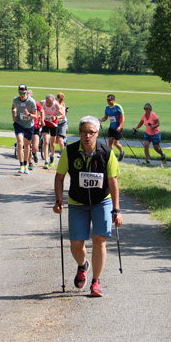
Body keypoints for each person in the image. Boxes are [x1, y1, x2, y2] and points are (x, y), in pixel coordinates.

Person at [53, 116, 122, 298]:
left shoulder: (106, 152)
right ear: (80, 133)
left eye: (91, 132)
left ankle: (96, 282)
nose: (87, 136)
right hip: (77, 202)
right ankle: (83, 266)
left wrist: (116, 209)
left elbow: (112, 181)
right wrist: (58, 200)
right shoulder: (70, 151)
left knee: (100, 240)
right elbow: (59, 176)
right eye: (84, 132)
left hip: (102, 202)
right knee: (76, 243)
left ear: (97, 133)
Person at [12, 84, 38, 174]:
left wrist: (28, 114)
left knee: (27, 146)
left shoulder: (31, 102)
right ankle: (21, 165)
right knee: (20, 143)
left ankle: (26, 165)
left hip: (29, 126)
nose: (21, 95)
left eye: (23, 92)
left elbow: (36, 116)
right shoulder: (16, 100)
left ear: (26, 92)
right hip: (19, 124)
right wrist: (13, 115)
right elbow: (13, 108)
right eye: (20, 92)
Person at [100, 94, 125, 162]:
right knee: (110, 143)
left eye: (109, 100)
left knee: (116, 143)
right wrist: (101, 120)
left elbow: (123, 117)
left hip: (118, 127)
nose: (108, 101)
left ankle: (122, 152)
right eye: (107, 100)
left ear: (113, 100)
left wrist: (120, 126)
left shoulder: (118, 107)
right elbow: (105, 117)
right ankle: (112, 157)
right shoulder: (107, 108)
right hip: (111, 127)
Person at [42, 94, 64, 169]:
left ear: (53, 101)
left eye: (50, 103)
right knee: (46, 141)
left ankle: (52, 156)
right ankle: (46, 161)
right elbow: (37, 110)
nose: (48, 104)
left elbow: (63, 115)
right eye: (47, 102)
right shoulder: (42, 103)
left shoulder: (56, 105)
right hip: (45, 123)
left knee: (52, 143)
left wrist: (56, 117)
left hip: (53, 124)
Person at [27, 89, 42, 171]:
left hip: (35, 127)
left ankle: (35, 153)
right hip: (26, 127)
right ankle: (30, 163)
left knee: (35, 146)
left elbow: (42, 110)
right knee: (28, 146)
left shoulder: (35, 104)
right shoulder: (23, 104)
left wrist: (42, 120)